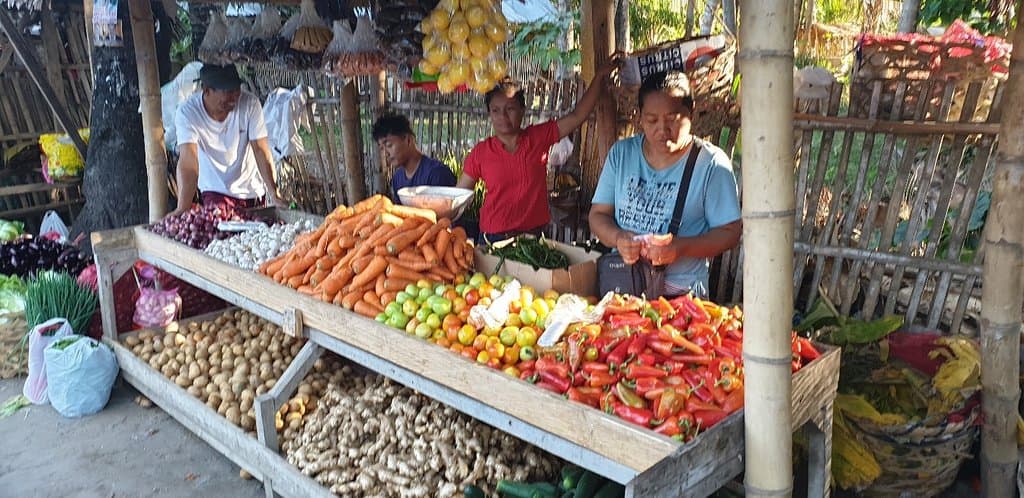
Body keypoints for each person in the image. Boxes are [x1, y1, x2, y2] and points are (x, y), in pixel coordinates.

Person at [589, 70, 741, 296]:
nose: (662, 130)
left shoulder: (711, 165)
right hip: (625, 286)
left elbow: (730, 232)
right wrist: (619, 239)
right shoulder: (622, 155)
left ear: (691, 113)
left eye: (672, 119)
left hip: (682, 295)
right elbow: (598, 215)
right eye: (651, 120)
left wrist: (679, 248)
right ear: (640, 117)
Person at [457, 62, 617, 242]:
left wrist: (599, 77)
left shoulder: (538, 138)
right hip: (493, 237)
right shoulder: (481, 152)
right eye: (495, 110)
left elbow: (577, 116)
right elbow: (458, 196)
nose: (502, 116)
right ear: (489, 113)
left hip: (533, 236)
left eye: (510, 109)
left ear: (522, 111)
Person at [170, 64, 283, 216]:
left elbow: (260, 149)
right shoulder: (187, 113)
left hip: (251, 191)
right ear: (206, 90)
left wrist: (274, 193)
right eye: (228, 92)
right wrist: (182, 207)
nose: (234, 97)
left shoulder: (250, 104)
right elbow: (188, 159)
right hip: (215, 190)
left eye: (236, 90)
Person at [372, 113, 457, 202]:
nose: (386, 153)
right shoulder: (397, 178)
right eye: (381, 148)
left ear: (408, 140)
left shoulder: (437, 174)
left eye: (389, 145)